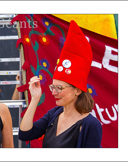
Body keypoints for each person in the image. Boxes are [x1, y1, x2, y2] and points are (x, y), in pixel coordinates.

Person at [18, 20, 102, 148]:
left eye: (59, 88)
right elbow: (25, 134)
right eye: (53, 87)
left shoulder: (90, 125)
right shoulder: (54, 114)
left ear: (78, 90)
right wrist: (35, 99)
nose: (53, 92)